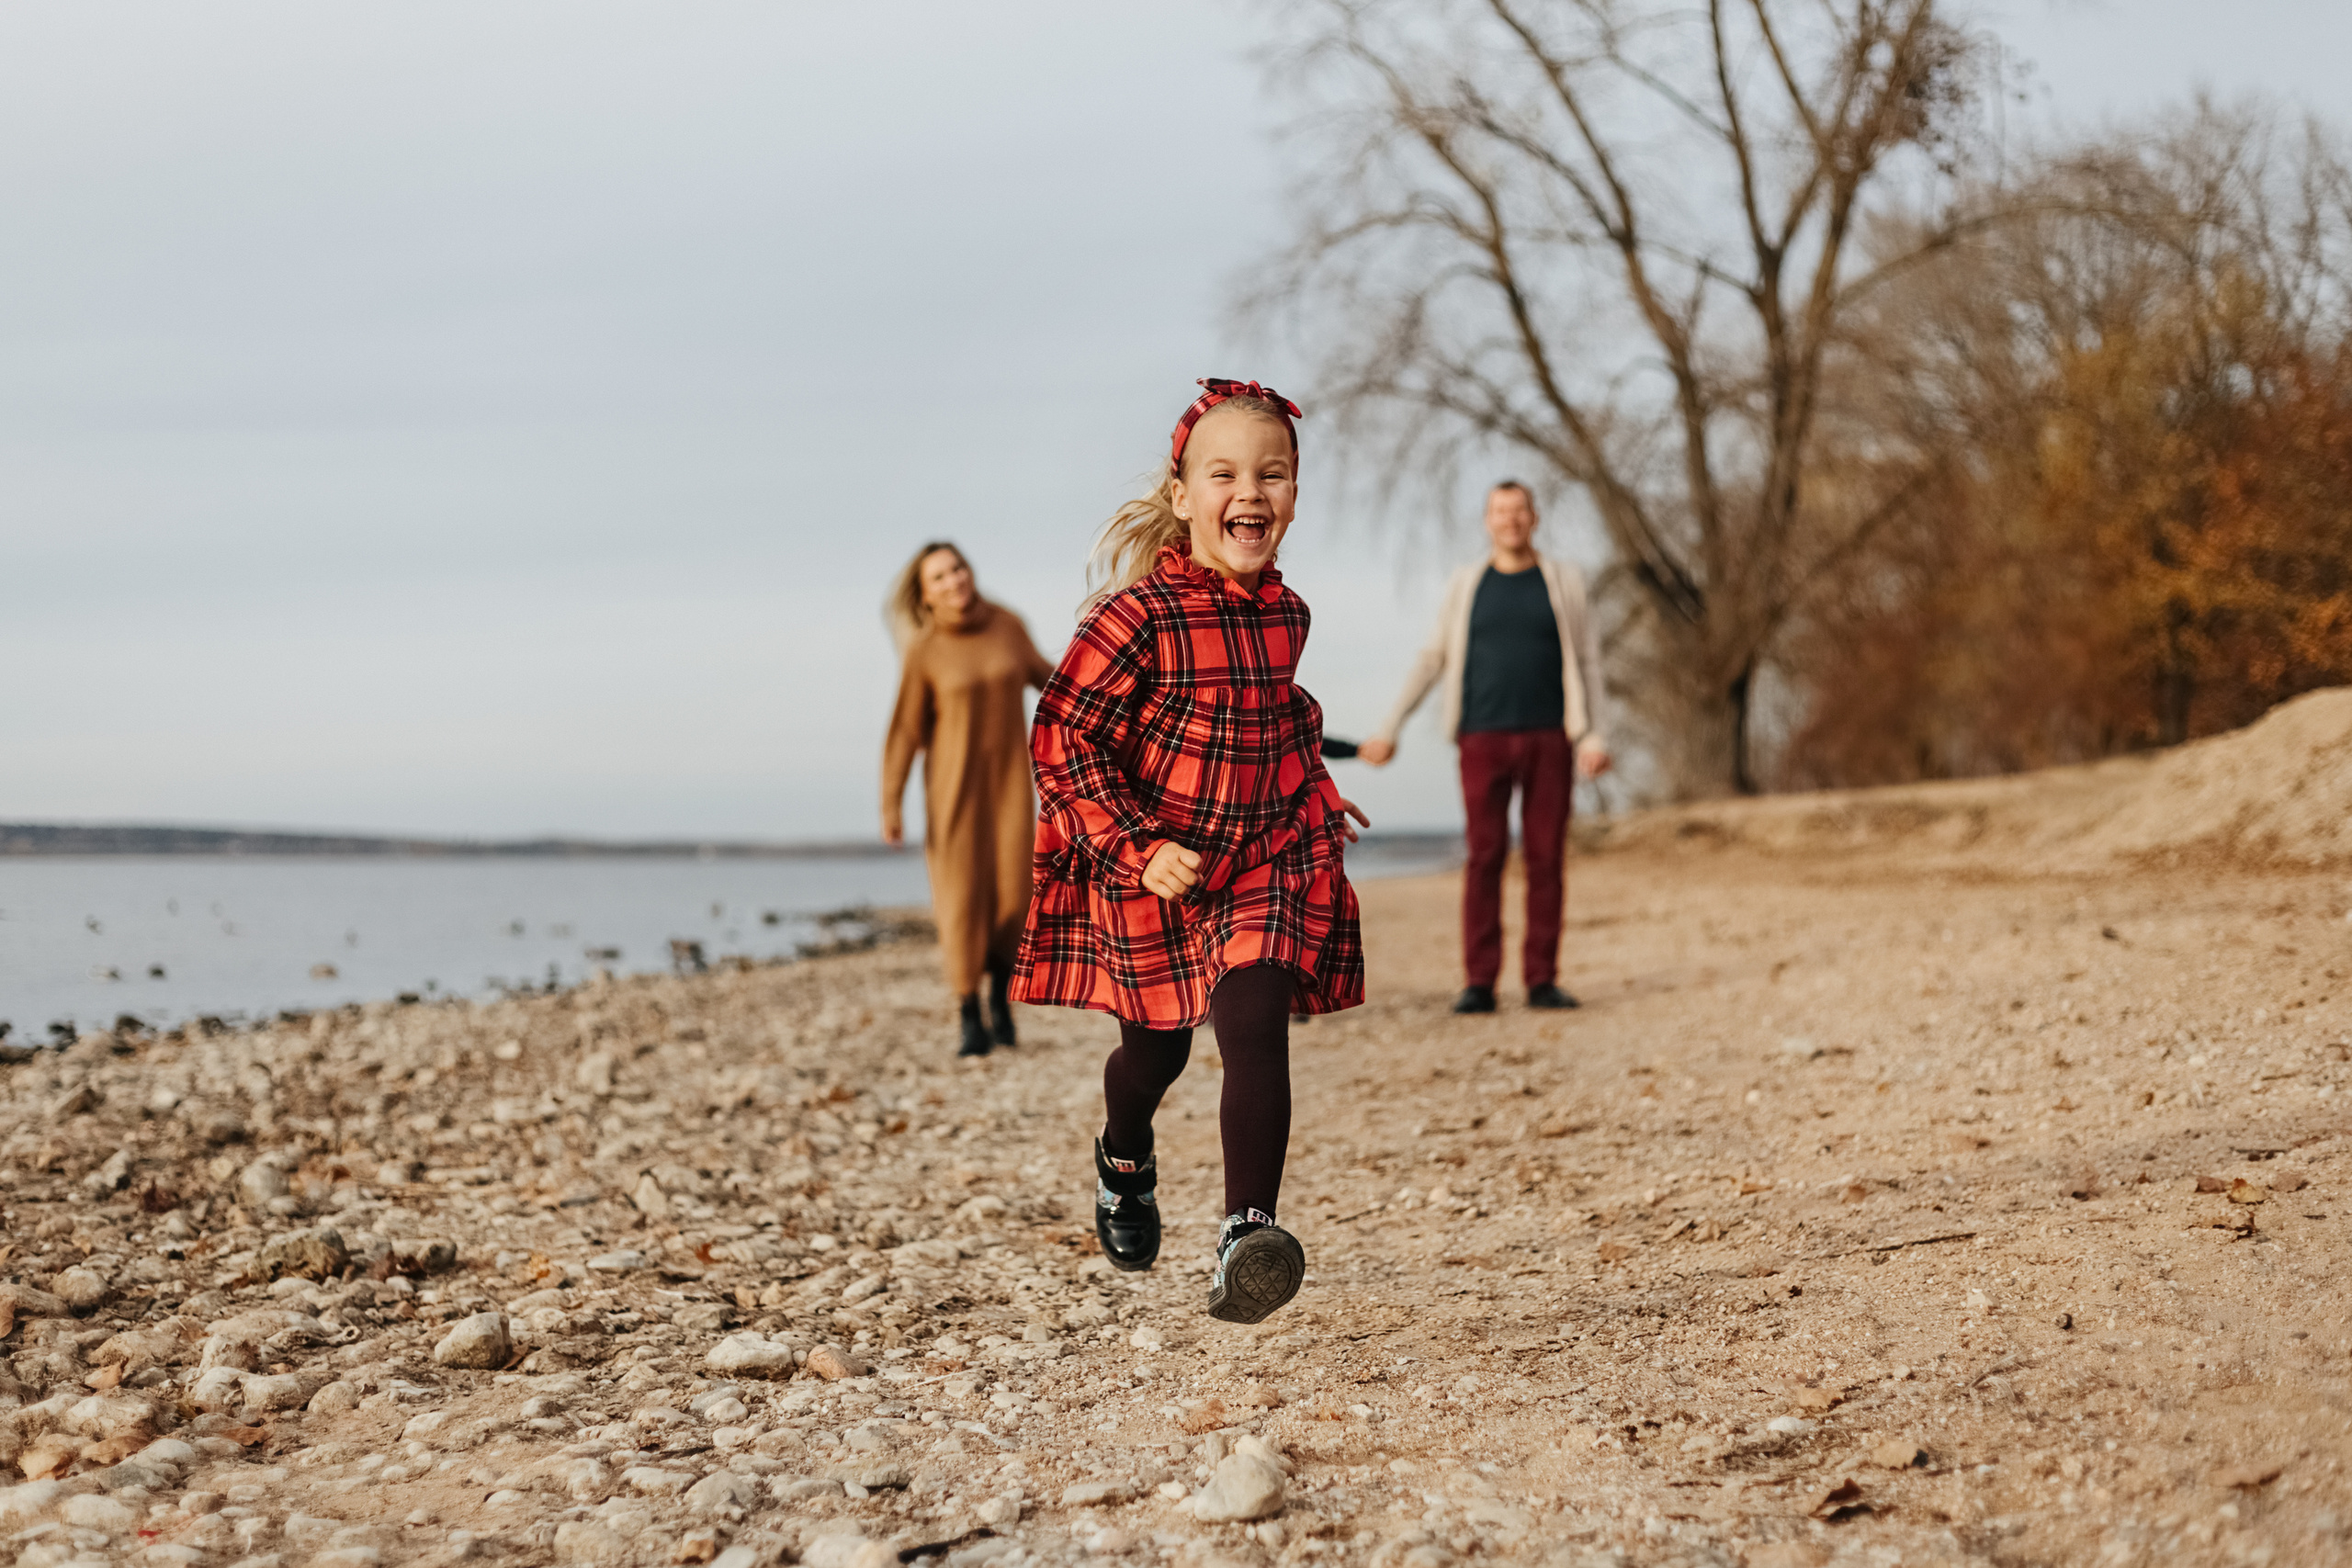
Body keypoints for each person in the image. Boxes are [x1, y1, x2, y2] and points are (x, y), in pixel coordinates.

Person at [1013, 378, 1369, 1325]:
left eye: (1272, 474)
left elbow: (1278, 716)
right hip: (1154, 871)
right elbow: (1060, 739)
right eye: (1224, 474)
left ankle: (1247, 1233)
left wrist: (1319, 787)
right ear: (1183, 496)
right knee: (1154, 1056)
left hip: (1258, 856)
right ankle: (1122, 1156)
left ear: (1293, 494)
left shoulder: (1284, 615)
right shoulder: (1134, 619)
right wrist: (1135, 847)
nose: (1249, 492)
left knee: (1256, 1018)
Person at [1359, 481, 1611, 1013]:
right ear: (1488, 520)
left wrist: (1593, 734)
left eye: (1519, 510)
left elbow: (1587, 661)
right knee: (1485, 856)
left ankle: (1542, 979)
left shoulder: (1562, 580)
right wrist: (1390, 726)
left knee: (1545, 858)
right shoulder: (1466, 583)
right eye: (1501, 511)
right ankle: (1480, 983)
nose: (1511, 520)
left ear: (1534, 518)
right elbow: (1432, 657)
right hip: (1482, 735)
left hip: (1550, 735)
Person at [881, 542, 1057, 1057]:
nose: (953, 580)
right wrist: (891, 803)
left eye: (956, 568)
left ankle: (1000, 999)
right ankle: (967, 1013)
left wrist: (1111, 703)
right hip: (952, 793)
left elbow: (1051, 680)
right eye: (938, 577)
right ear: (926, 596)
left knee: (1011, 895)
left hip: (1007, 789)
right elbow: (904, 732)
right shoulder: (925, 649)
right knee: (960, 899)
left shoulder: (1007, 625)